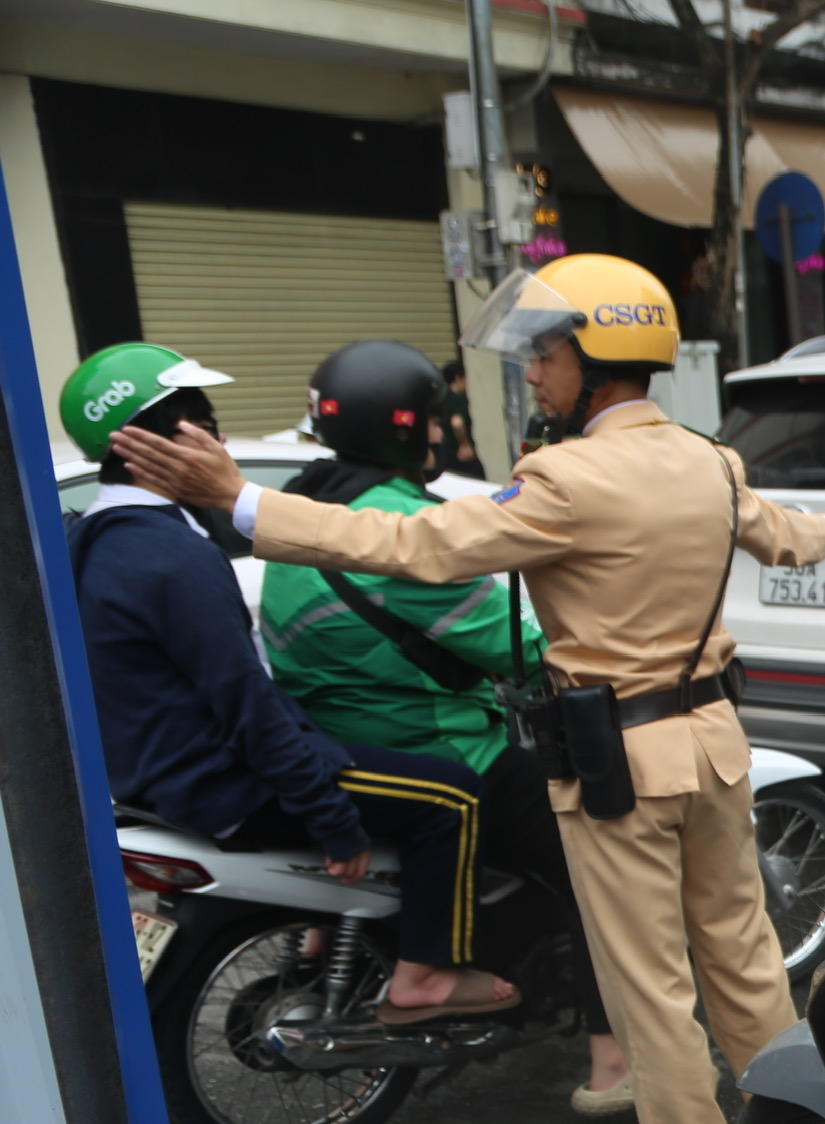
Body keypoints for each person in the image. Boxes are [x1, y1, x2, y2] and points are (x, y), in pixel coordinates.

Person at [112, 254, 825, 1124]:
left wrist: (242, 500)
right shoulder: (709, 460)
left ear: (596, 360)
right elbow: (782, 534)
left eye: (548, 356)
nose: (535, 374)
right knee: (745, 963)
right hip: (714, 747)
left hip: (617, 765)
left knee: (652, 990)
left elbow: (415, 548)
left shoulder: (565, 479)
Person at [63, 342, 511, 1020]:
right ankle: (423, 976)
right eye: (207, 426)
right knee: (453, 796)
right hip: (220, 782)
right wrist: (333, 821)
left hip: (151, 781)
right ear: (169, 442)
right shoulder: (172, 554)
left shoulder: (89, 539)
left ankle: (328, 932)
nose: (221, 443)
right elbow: (244, 701)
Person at [260, 338, 630, 1112]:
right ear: (401, 428)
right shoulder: (402, 522)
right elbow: (514, 642)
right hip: (442, 747)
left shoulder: (300, 508)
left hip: (343, 744)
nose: (442, 434)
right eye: (433, 420)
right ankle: (613, 1065)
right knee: (602, 870)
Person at [437, 359, 484, 480]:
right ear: (458, 378)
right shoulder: (459, 399)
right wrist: (464, 445)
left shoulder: (441, 399)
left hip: (446, 455)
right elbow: (456, 422)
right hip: (461, 455)